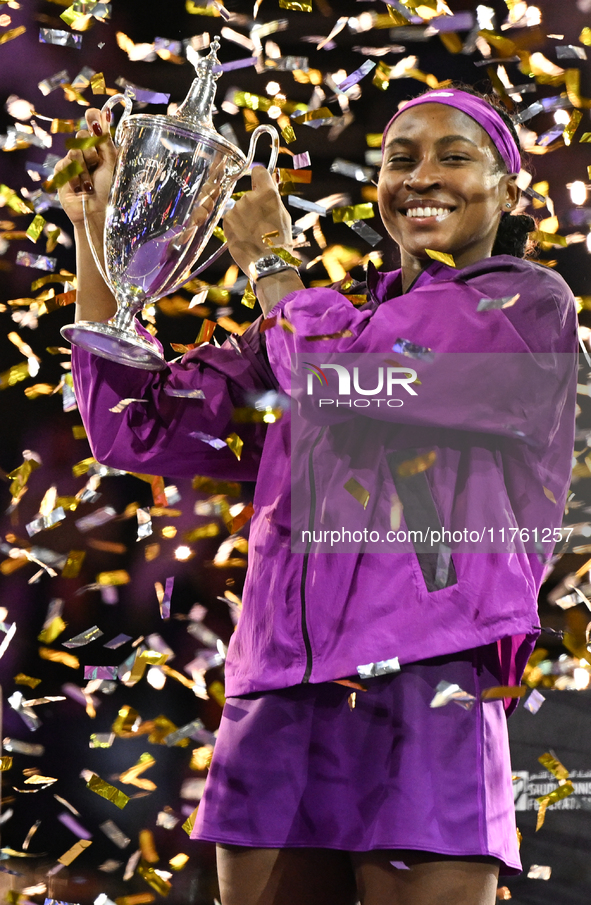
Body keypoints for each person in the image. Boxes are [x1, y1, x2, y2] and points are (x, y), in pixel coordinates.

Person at [57, 86, 578, 905]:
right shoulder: (314, 326)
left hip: (424, 677)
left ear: (507, 192)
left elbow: (349, 378)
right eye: (399, 158)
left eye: (453, 155)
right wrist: (96, 236)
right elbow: (134, 427)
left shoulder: (523, 305)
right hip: (276, 691)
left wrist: (271, 264)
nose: (421, 176)